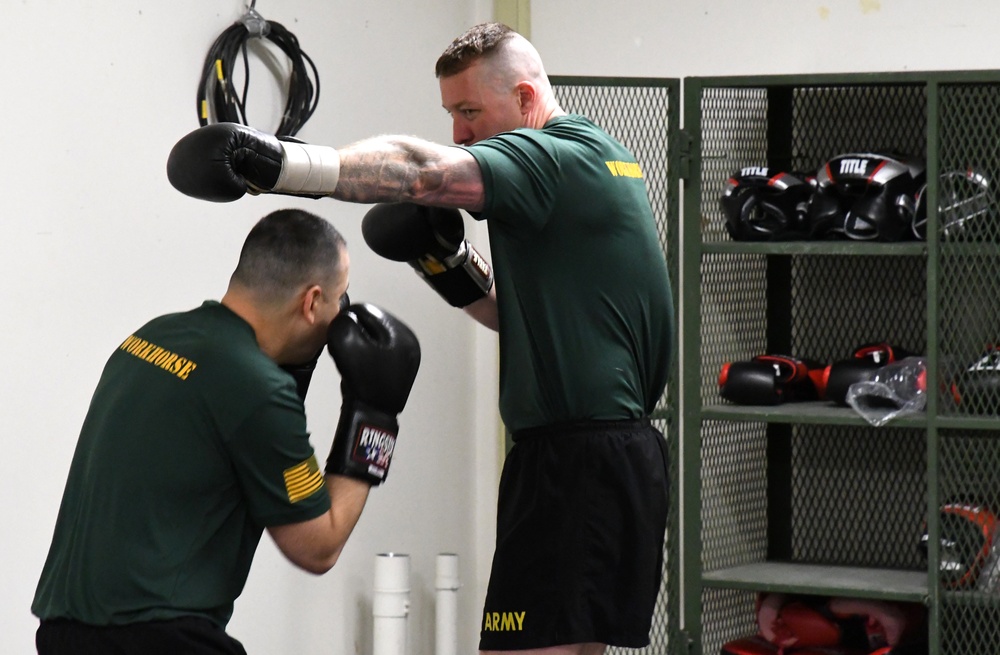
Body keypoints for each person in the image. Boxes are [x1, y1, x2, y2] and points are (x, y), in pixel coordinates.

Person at [166, 21, 674, 655]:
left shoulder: (560, 158)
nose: (459, 132)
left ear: (523, 99)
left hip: (581, 457)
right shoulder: (580, 169)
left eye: (468, 110)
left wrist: (280, 163)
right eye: (451, 114)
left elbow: (422, 174)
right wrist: (445, 262)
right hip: (585, 453)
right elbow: (518, 319)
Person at [31, 208, 421, 655]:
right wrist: (374, 415)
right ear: (312, 303)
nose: (343, 313)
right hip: (158, 637)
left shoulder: (150, 338)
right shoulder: (256, 388)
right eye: (340, 298)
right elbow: (317, 546)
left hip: (63, 630)